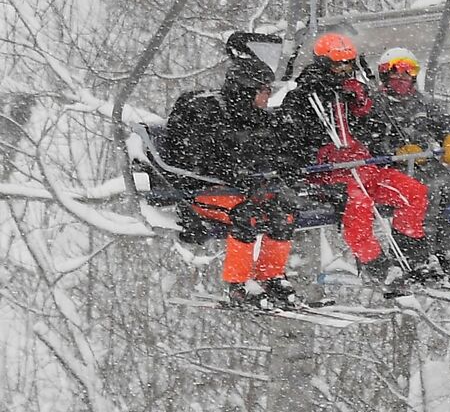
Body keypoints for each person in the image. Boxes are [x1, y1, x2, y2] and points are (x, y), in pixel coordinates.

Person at [163, 33, 306, 310]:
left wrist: (286, 166)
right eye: (263, 91)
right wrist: (237, 173)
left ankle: (270, 276)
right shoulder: (208, 115)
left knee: (284, 211)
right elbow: (198, 161)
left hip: (242, 192)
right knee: (247, 216)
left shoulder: (256, 118)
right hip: (203, 195)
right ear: (245, 91)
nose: (267, 97)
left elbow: (276, 151)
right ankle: (239, 285)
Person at [281, 33, 430, 280]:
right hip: (331, 173)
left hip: (364, 165)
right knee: (359, 207)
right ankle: (376, 267)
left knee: (413, 192)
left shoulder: (356, 91)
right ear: (323, 63)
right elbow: (292, 141)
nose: (343, 69)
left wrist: (362, 107)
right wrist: (320, 153)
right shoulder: (303, 97)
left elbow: (378, 132)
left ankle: (412, 258)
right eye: (337, 63)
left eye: (348, 63)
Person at [369, 48, 450, 281]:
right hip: (394, 167)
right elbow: (368, 137)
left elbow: (444, 122)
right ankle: (420, 254)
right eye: (396, 72)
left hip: (423, 161)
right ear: (384, 75)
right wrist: (394, 151)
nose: (402, 78)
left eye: (408, 72)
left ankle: (448, 251)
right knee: (427, 190)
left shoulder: (421, 102)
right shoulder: (376, 104)